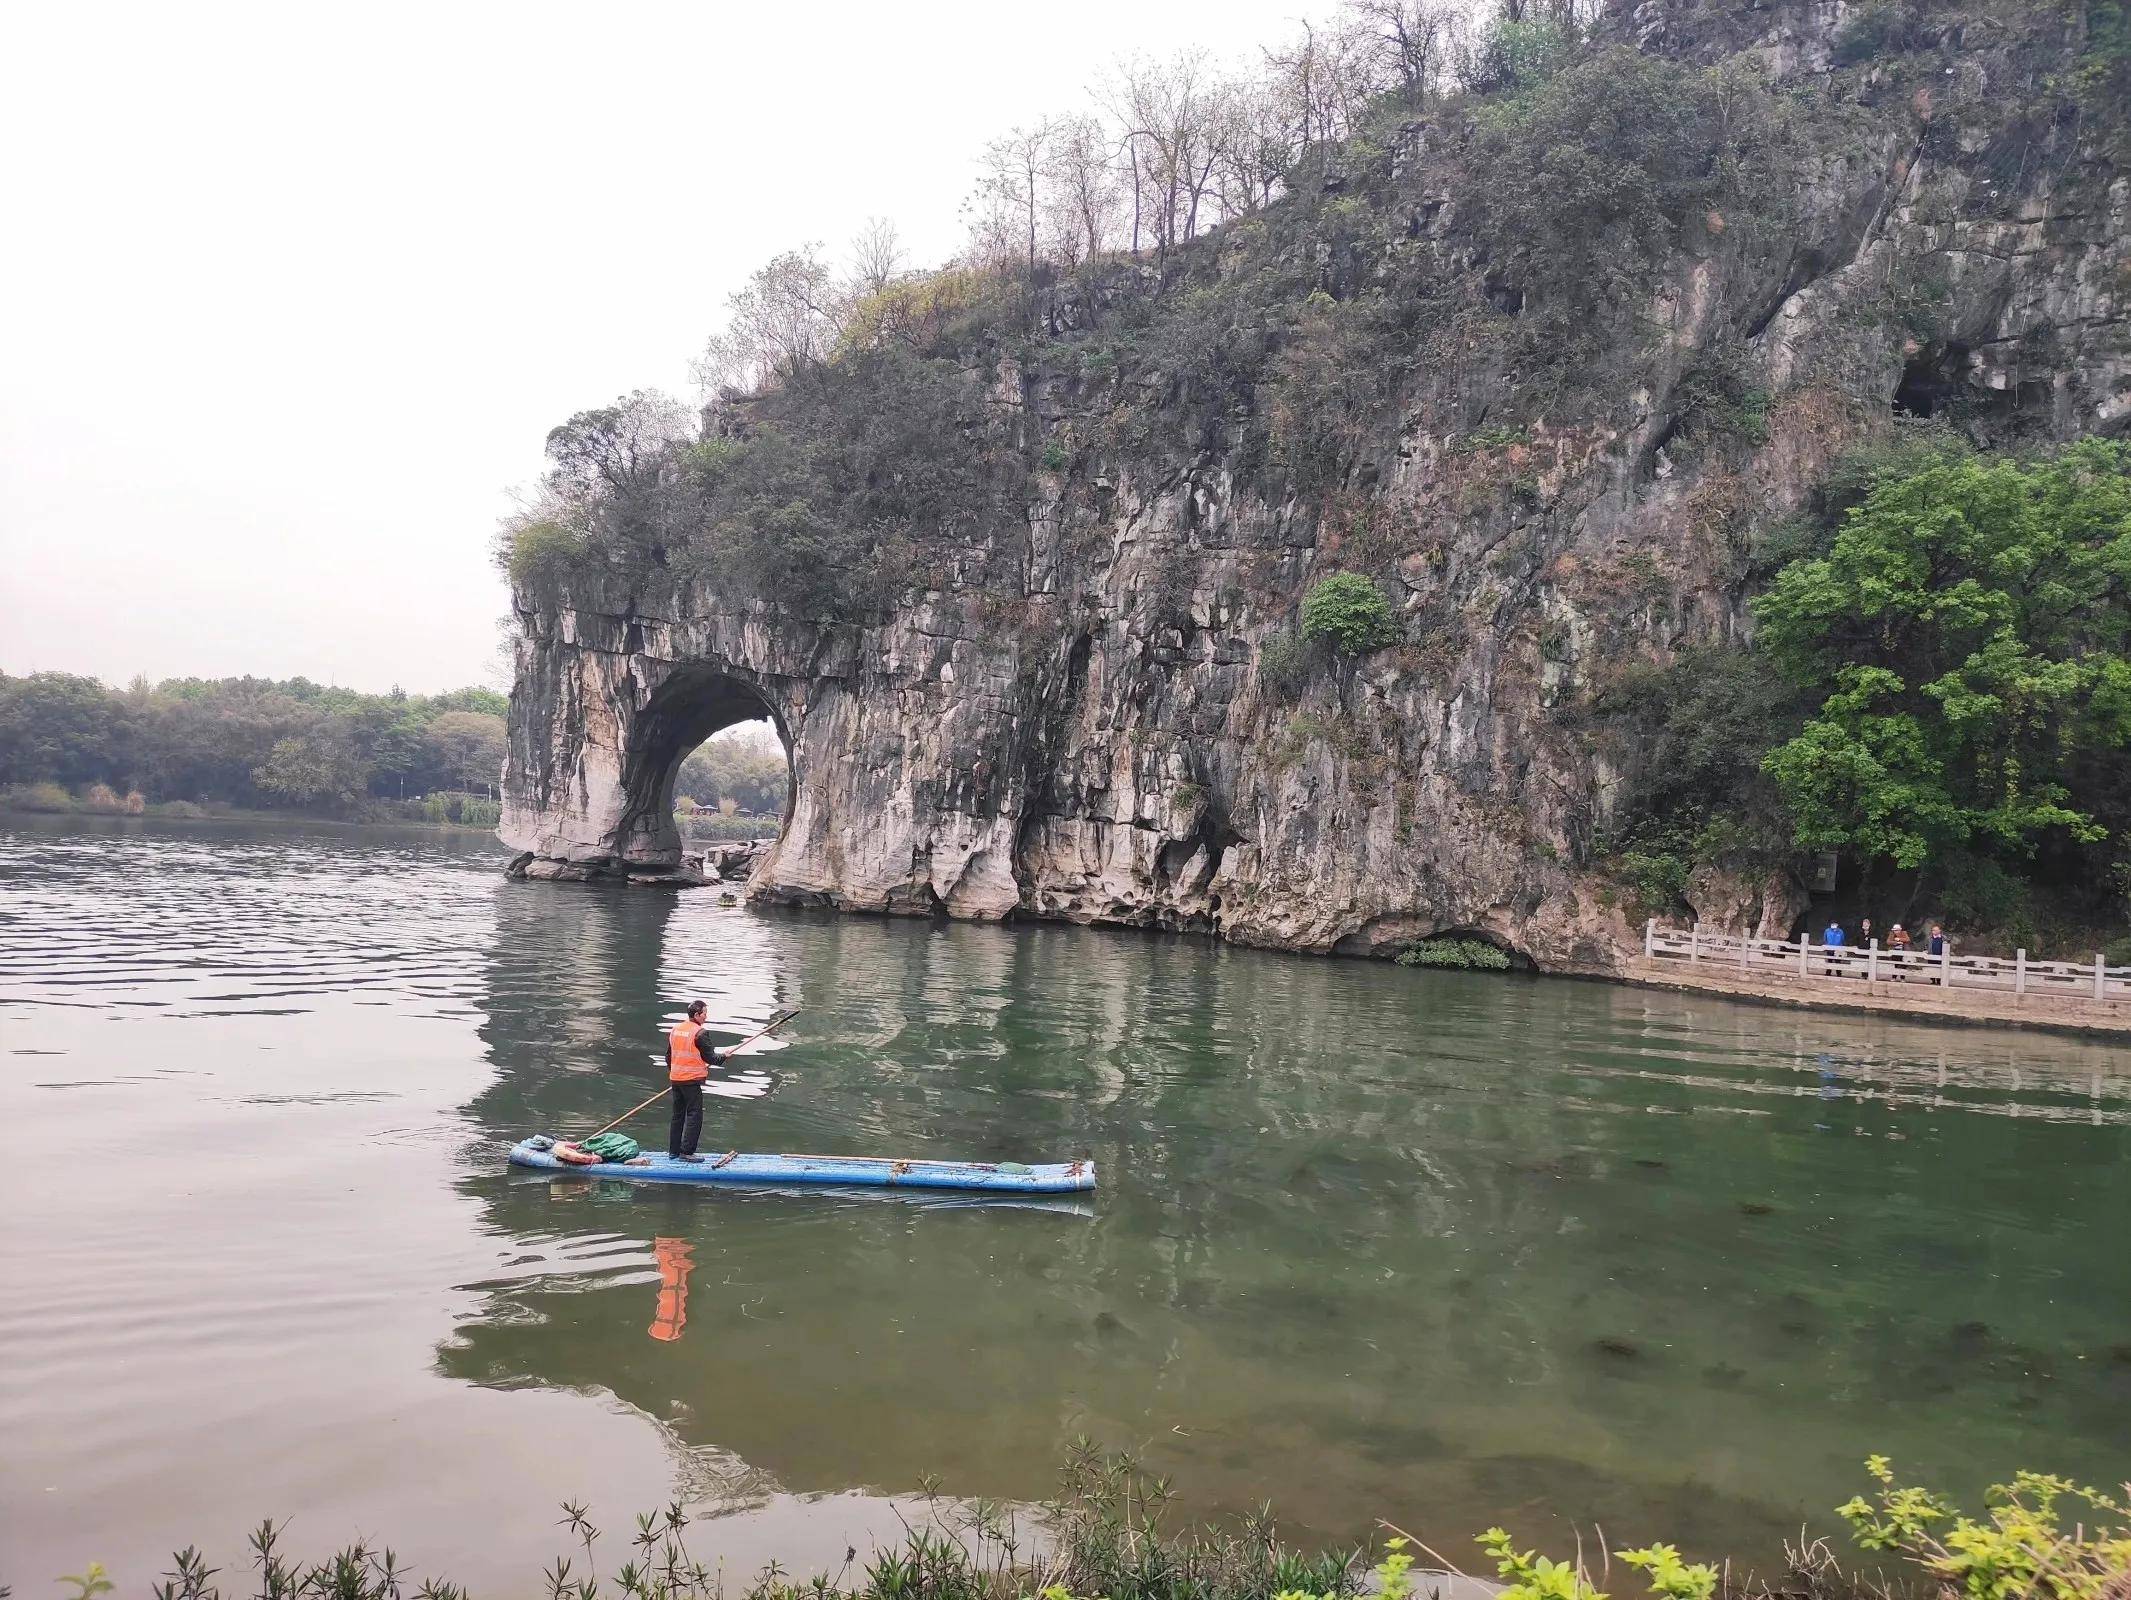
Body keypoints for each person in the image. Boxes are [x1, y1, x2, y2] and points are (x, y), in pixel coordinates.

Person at [666, 1000, 728, 1162]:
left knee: (677, 1115)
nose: (706, 1017)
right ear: (696, 1015)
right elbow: (711, 1058)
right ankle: (686, 1152)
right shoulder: (700, 1033)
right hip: (691, 1080)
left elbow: (668, 1056)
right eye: (704, 1014)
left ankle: (673, 1151)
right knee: (694, 1115)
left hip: (676, 1078)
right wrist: (724, 1056)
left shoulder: (676, 1029)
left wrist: (674, 1073)